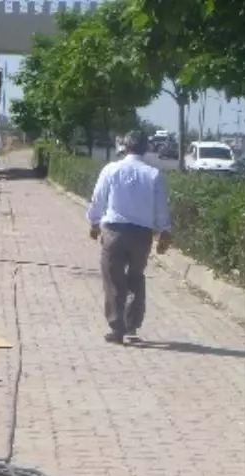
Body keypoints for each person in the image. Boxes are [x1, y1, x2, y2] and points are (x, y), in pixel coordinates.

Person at [86, 130, 172, 345]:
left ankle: (117, 328)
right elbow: (161, 208)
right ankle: (132, 326)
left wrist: (94, 222)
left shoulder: (111, 169)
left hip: (114, 231)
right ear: (146, 148)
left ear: (124, 147)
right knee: (136, 276)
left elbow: (98, 198)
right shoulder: (154, 174)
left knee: (113, 279)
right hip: (142, 234)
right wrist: (164, 232)